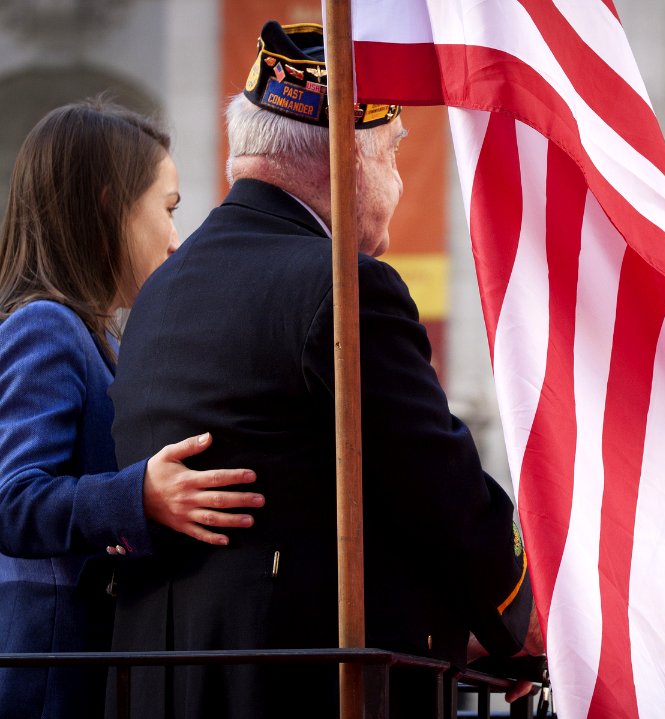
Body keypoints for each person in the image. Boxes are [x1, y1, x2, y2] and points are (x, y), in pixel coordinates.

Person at [108, 20, 542, 718]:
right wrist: (516, 615)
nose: (398, 182)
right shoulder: (341, 285)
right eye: (394, 156)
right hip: (296, 687)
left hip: (167, 683)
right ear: (350, 159)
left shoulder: (162, 288)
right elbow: (436, 483)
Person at [0, 99, 265, 719]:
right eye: (167, 209)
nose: (176, 240)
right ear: (107, 206)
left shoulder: (97, 336)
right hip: (47, 679)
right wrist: (137, 495)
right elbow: (10, 501)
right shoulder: (45, 326)